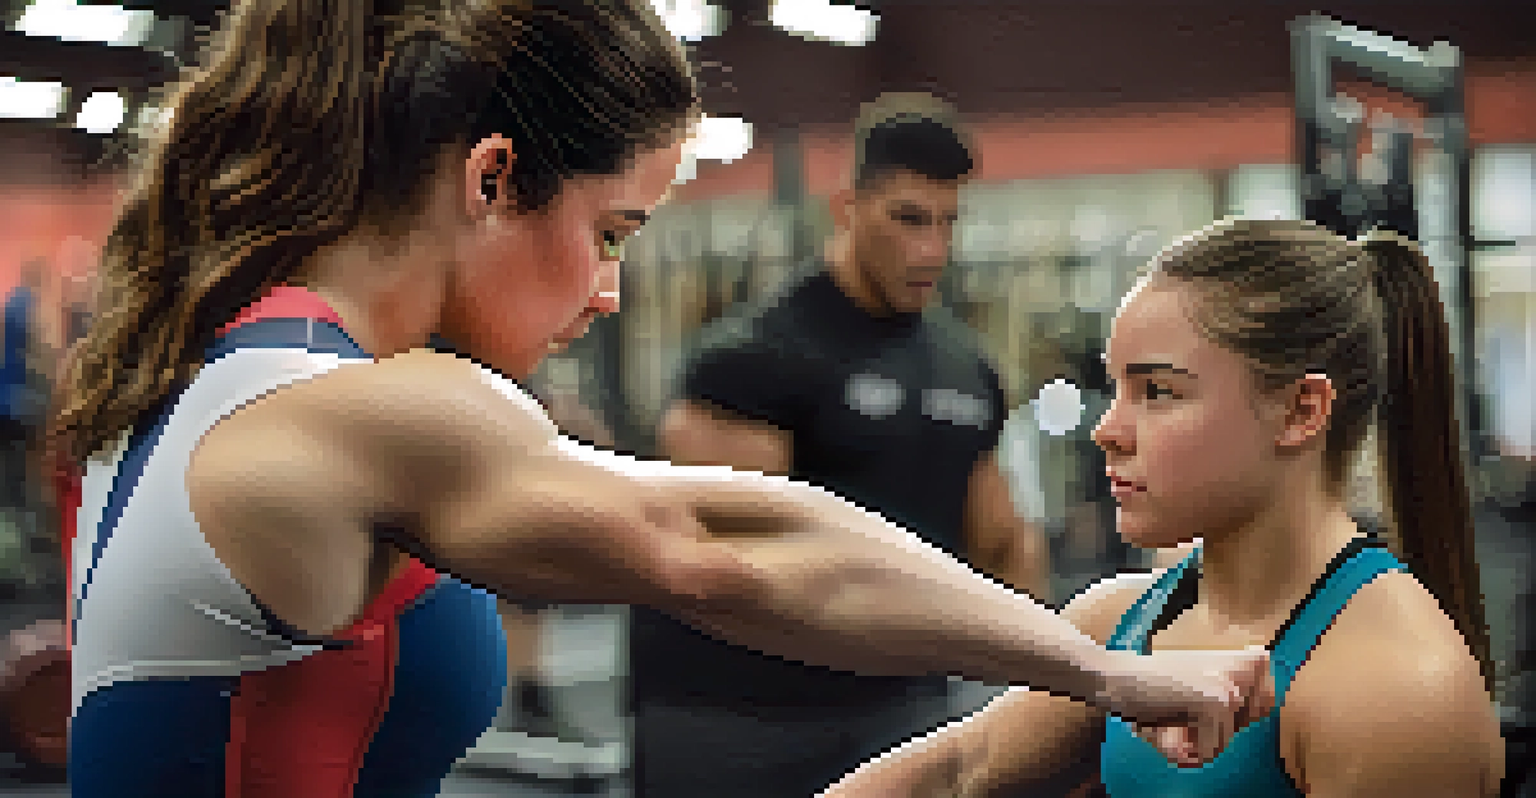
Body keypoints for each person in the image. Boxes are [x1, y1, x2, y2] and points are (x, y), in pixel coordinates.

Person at [50, 3, 1269, 796]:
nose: (612, 292)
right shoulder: (360, 409)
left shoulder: (192, 371)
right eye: (611, 231)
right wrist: (1105, 668)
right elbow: (714, 544)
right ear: (492, 180)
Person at [824, 218, 1507, 798]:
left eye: (1158, 392)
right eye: (1116, 387)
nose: (1107, 429)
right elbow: (951, 773)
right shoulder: (1121, 624)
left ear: (1302, 411)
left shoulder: (1394, 690)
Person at [638, 92, 1051, 797]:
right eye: (908, 219)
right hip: (735, 719)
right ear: (848, 208)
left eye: (948, 222)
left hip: (898, 707)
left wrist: (1053, 685)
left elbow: (1002, 542)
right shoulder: (749, 362)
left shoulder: (970, 369)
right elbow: (735, 565)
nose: (931, 249)